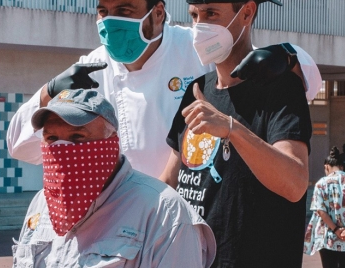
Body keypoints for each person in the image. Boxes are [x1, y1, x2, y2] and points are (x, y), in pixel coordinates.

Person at [6, 0, 322, 179]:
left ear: (158, 14)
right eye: (103, 11)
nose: (109, 21)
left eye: (124, 10)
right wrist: (49, 92)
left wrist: (289, 56)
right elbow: (21, 148)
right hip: (117, 223)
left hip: (190, 216)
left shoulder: (197, 48)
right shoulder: (89, 70)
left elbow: (305, 85)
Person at [160, 0, 313, 266]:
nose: (199, 27)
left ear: (247, 13)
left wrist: (231, 128)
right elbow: (171, 182)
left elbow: (295, 183)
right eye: (194, 16)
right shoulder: (196, 90)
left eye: (211, 14)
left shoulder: (280, 89)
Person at [12, 88, 216, 268]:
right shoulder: (41, 204)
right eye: (52, 139)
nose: (62, 150)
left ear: (110, 143)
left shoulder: (165, 215)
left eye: (77, 137)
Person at [304, 146, 345, 268]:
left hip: (327, 237)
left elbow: (321, 211)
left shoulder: (321, 184)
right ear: (342, 167)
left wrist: (336, 230)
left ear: (327, 167)